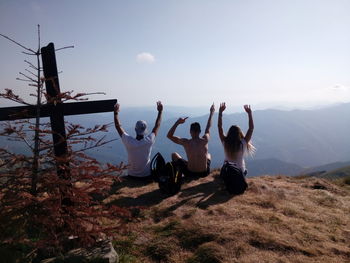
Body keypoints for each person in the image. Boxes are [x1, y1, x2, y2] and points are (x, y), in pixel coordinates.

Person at [114, 101, 163, 181]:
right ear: (146, 130)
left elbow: (118, 127)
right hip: (146, 175)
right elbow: (157, 125)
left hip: (131, 175)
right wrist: (160, 111)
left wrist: (116, 113)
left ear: (135, 129)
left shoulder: (128, 141)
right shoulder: (149, 140)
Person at [167, 104, 215, 178]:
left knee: (174, 154)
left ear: (190, 131)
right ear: (200, 131)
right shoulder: (205, 140)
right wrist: (212, 113)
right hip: (204, 173)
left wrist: (177, 123)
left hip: (190, 173)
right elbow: (208, 127)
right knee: (209, 155)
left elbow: (169, 136)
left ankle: (177, 175)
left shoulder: (186, 142)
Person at [218, 103, 255, 175]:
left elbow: (219, 127)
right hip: (240, 173)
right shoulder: (243, 143)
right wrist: (249, 113)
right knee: (245, 171)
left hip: (227, 172)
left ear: (229, 133)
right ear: (239, 134)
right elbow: (251, 128)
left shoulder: (225, 142)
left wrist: (220, 112)